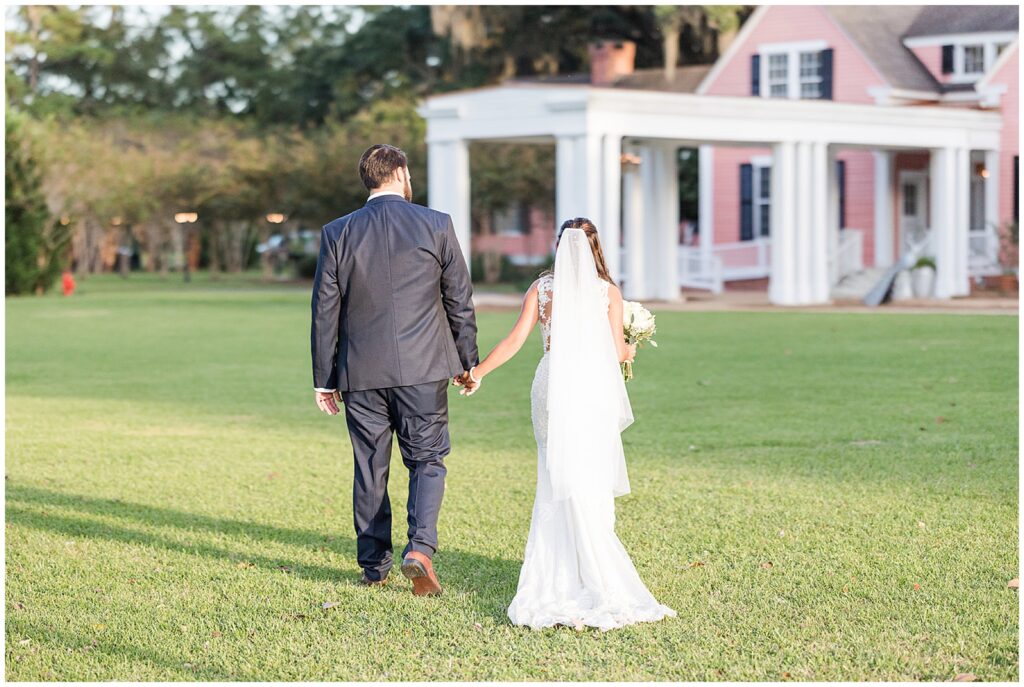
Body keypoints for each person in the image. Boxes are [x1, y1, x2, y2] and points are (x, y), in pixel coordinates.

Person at [457, 218, 676, 631]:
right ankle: (589, 568)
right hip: (590, 386)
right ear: (595, 248)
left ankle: (558, 572)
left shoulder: (542, 289)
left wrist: (479, 371)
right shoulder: (607, 292)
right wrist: (631, 347)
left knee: (555, 474)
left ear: (559, 247)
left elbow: (516, 340)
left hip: (551, 384)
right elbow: (615, 352)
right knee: (587, 475)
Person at [310, 143, 478, 596]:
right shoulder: (435, 223)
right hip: (424, 369)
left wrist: (324, 379)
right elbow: (458, 300)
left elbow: (326, 311)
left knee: (369, 467)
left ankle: (373, 567)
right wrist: (468, 361)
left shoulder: (337, 232)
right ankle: (420, 548)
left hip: (359, 373)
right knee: (427, 459)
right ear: (401, 173)